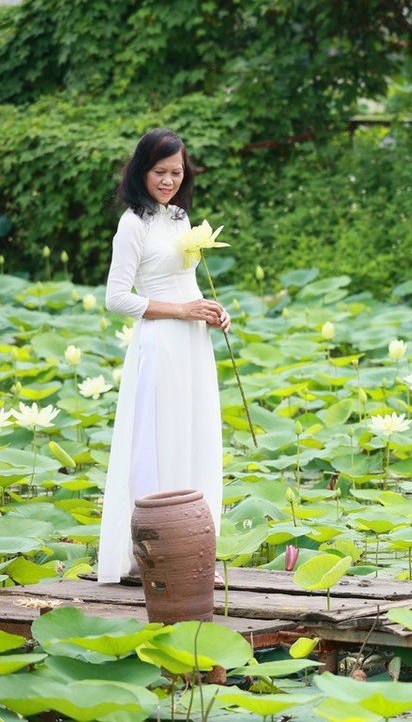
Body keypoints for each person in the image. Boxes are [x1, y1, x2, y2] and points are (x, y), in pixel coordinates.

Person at [97, 129, 228, 584]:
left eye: (176, 172)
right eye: (160, 172)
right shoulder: (133, 224)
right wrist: (180, 310)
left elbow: (186, 282)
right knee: (157, 438)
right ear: (141, 171)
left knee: (194, 433)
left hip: (192, 342)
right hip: (159, 341)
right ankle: (146, 552)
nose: (169, 180)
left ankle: (189, 544)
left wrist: (210, 310)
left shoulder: (179, 217)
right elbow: (117, 297)